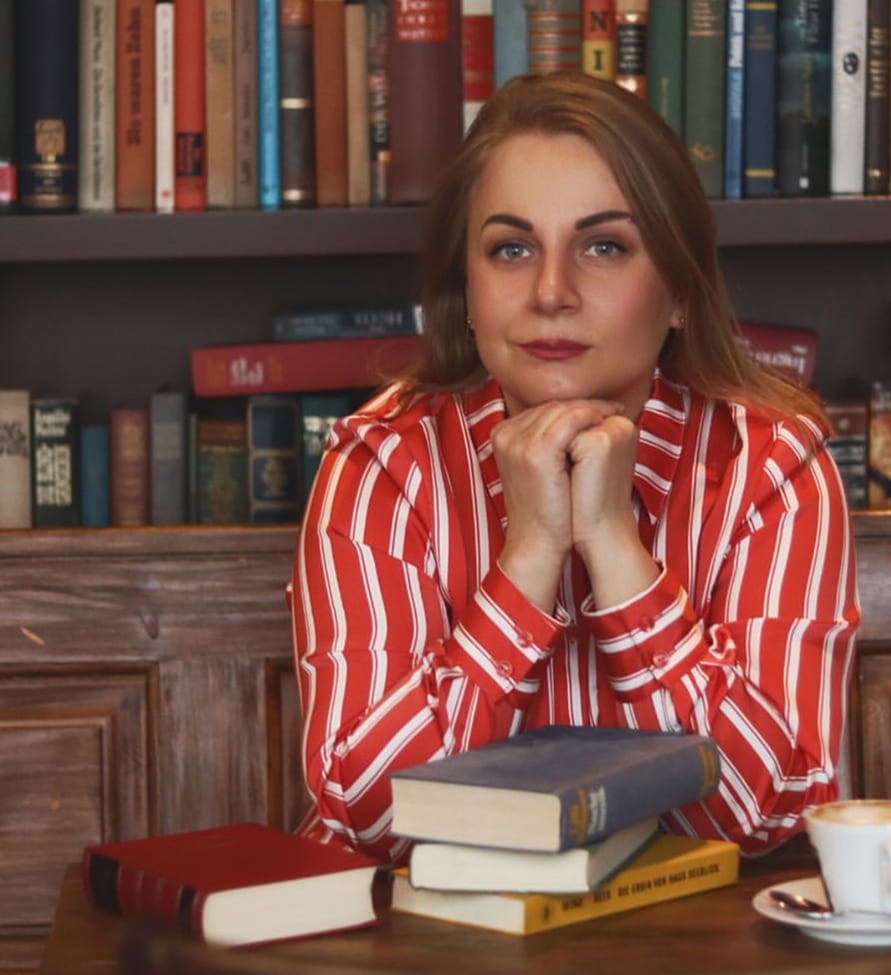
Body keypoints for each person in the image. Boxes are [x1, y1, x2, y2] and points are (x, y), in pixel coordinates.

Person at [289, 71, 859, 861]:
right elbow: (372, 815)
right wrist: (527, 559)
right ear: (466, 286)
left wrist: (613, 543)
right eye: (511, 248)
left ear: (682, 291)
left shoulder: (772, 468)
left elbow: (762, 811)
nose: (550, 291)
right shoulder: (381, 466)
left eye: (603, 246)